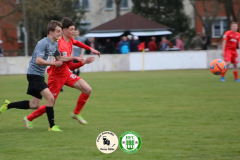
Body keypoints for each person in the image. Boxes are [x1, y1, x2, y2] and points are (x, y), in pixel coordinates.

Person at [0, 20, 83, 131]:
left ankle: (8, 105)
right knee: (50, 98)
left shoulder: (54, 44)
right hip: (33, 75)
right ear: (51, 32)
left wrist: (74, 58)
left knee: (34, 104)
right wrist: (53, 63)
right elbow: (38, 60)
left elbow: (60, 58)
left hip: (39, 75)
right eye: (58, 31)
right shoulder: (43, 43)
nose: (60, 34)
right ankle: (52, 126)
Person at [25, 17, 100, 126]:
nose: (73, 32)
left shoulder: (70, 39)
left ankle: (76, 113)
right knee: (50, 104)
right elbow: (72, 67)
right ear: (64, 31)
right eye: (71, 29)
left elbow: (78, 43)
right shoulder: (61, 45)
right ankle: (29, 118)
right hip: (56, 77)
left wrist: (90, 49)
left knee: (87, 89)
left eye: (74, 29)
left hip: (66, 74)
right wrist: (84, 62)